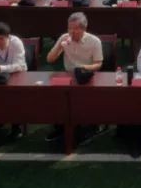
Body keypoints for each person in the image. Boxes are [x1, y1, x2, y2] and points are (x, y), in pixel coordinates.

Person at [45, 12, 104, 143]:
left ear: (84, 28)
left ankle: (90, 126)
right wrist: (60, 46)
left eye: (75, 28)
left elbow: (98, 64)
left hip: (86, 75)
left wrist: (83, 68)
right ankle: (61, 126)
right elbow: (50, 59)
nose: (71, 31)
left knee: (84, 99)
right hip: (69, 75)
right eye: (69, 28)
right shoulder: (64, 38)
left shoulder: (94, 41)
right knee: (57, 97)